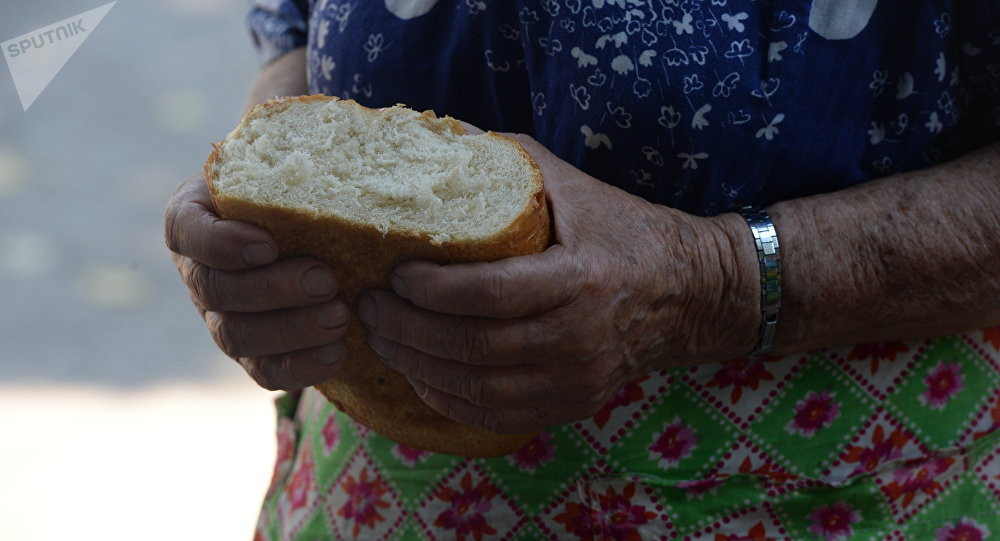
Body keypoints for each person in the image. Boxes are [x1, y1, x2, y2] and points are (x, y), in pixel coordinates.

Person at [164, 1, 1000, 539]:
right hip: (390, 489)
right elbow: (304, 26)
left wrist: (719, 281)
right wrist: (268, 188)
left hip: (827, 488)